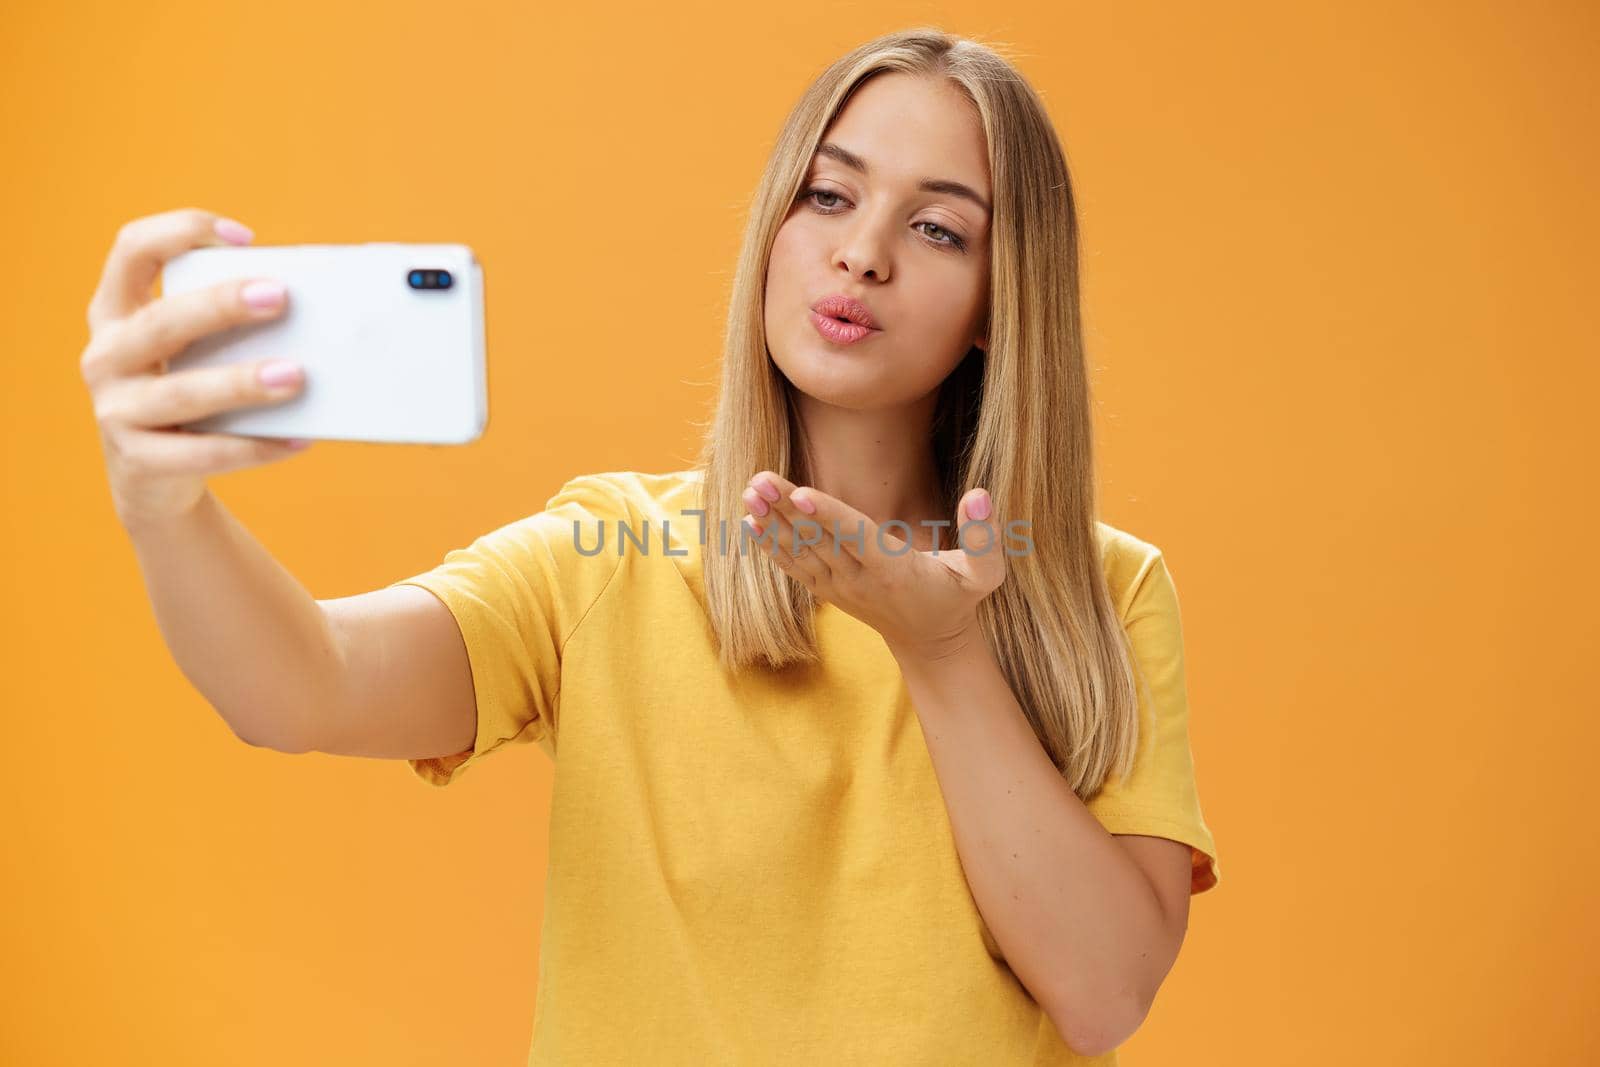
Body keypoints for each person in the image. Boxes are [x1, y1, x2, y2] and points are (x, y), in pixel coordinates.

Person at [81, 26, 1219, 1066]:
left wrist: (943, 652)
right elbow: (304, 686)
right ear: (772, 225)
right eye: (827, 196)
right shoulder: (610, 555)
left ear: (995, 299)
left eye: (935, 226)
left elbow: (1104, 994)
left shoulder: (1103, 589)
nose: (862, 253)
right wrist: (162, 505)